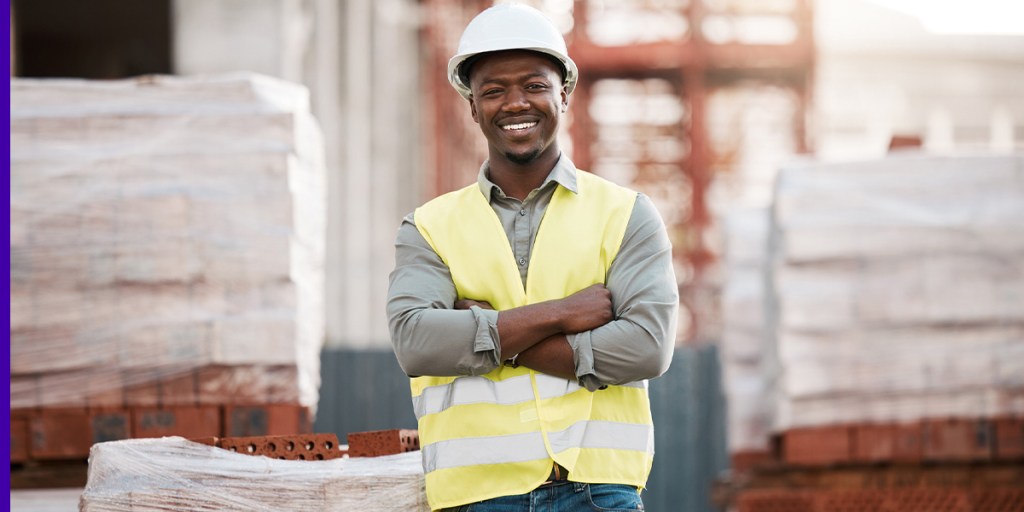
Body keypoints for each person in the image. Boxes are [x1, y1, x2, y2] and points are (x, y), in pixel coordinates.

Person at [387, 3, 678, 511]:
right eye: (493, 90)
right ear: (473, 107)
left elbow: (647, 348)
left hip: (598, 489)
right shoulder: (429, 226)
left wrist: (487, 336)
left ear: (563, 93)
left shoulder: (625, 213)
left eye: (534, 85)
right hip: (478, 494)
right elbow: (416, 342)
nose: (515, 103)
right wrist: (561, 314)